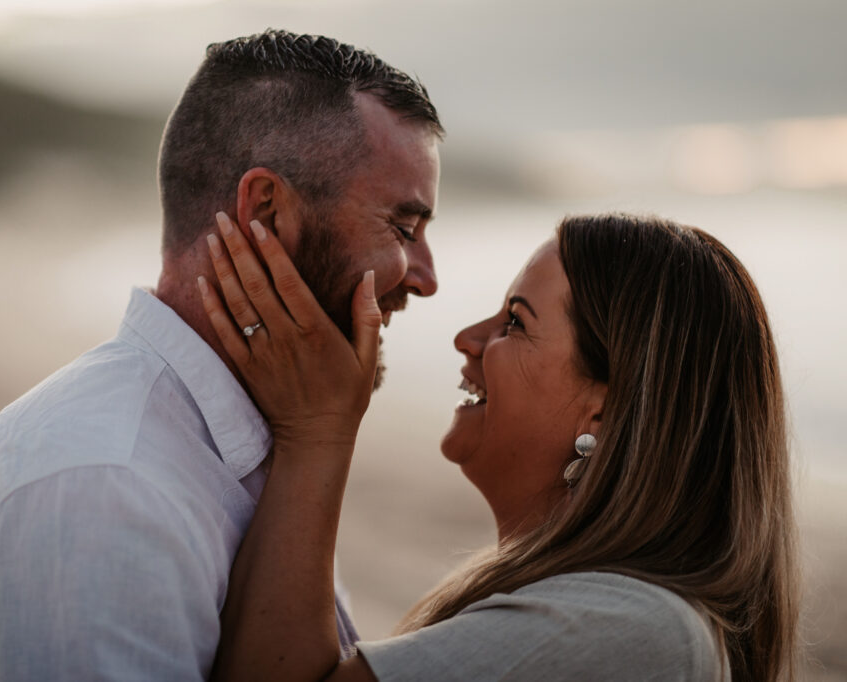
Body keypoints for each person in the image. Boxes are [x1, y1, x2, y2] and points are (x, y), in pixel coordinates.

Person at [0, 30, 443, 681]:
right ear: (265, 210)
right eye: (403, 228)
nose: (427, 277)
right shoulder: (106, 486)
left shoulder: (243, 447)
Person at [199, 211, 798, 681]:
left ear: (608, 407)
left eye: (515, 321)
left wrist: (316, 433)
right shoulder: (614, 615)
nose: (468, 338)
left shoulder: (629, 630)